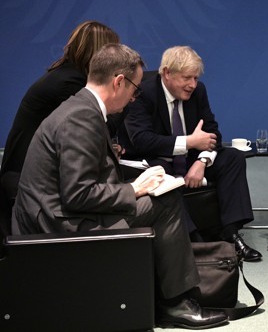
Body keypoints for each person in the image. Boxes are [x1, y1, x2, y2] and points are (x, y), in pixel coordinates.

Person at [11, 43, 229, 329]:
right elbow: (78, 194)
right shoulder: (82, 117)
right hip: (58, 226)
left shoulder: (80, 106)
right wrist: (134, 189)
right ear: (118, 82)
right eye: (135, 89)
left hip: (58, 213)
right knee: (167, 202)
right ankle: (176, 304)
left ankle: (171, 297)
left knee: (161, 195)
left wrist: (136, 184)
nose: (134, 98)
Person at [119, 46, 262, 261]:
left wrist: (202, 161)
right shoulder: (143, 94)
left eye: (195, 78)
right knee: (161, 171)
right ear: (167, 73)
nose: (192, 85)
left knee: (233, 158)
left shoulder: (198, 91)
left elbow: (212, 131)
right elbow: (142, 140)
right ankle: (193, 242)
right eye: (187, 78)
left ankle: (231, 234)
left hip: (191, 159)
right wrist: (189, 142)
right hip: (156, 161)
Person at [0, 21, 121, 234]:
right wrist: (123, 95)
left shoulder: (63, 75)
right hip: (27, 183)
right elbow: (99, 126)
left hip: (22, 175)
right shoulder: (71, 85)